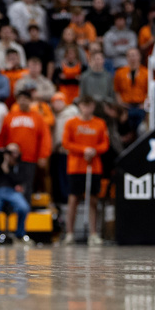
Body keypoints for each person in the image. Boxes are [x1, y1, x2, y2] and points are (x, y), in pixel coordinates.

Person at [62, 97, 109, 246]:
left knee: (93, 200)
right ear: (79, 106)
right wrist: (84, 150)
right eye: (84, 105)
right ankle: (69, 234)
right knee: (73, 200)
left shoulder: (99, 123)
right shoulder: (71, 123)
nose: (86, 109)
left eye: (89, 106)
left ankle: (94, 234)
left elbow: (105, 143)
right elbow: (66, 142)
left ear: (93, 106)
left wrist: (95, 150)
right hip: (76, 167)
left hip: (93, 167)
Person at [0, 90, 52, 196]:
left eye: (25, 99)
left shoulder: (38, 117)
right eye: (20, 99)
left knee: (27, 185)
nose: (23, 102)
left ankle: (25, 210)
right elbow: (2, 136)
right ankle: (11, 211)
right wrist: (1, 153)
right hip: (11, 158)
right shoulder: (10, 116)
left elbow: (45, 138)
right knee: (9, 184)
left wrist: (43, 155)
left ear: (30, 101)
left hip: (29, 157)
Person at [0, 143, 32, 245]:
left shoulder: (20, 166)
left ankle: (20, 235)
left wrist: (7, 169)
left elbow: (19, 181)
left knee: (23, 207)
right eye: (8, 152)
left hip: (12, 192)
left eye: (13, 152)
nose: (11, 155)